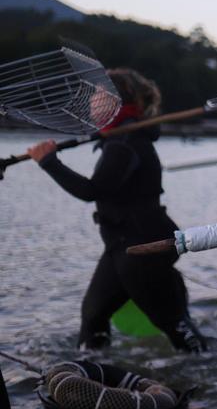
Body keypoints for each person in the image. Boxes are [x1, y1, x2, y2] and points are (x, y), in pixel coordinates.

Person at [26, 68, 207, 352]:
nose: (90, 101)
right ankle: (95, 375)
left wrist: (49, 162)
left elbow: (92, 191)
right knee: (93, 316)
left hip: (143, 246)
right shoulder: (119, 138)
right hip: (121, 245)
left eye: (97, 95)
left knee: (174, 324)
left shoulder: (126, 143)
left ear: (116, 101)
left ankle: (206, 373)